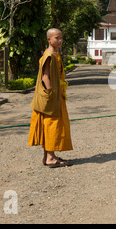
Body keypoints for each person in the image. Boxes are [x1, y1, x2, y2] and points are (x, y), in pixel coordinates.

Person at [28, 28, 73, 168]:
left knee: (51, 125)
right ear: (49, 39)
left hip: (56, 94)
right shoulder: (49, 56)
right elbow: (45, 77)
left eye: (61, 38)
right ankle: (50, 158)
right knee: (51, 125)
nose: (60, 41)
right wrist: (51, 95)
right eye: (56, 38)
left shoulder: (55, 54)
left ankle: (48, 156)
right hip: (52, 97)